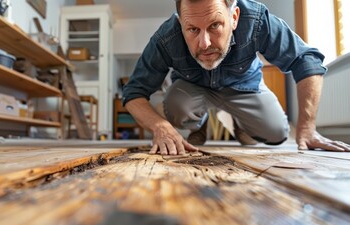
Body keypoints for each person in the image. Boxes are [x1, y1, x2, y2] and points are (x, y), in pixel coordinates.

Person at [122, 0, 350, 155]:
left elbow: (307, 59)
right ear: (181, 23)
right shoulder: (166, 38)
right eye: (192, 30)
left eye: (215, 25)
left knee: (277, 134)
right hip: (192, 90)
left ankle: (242, 125)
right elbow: (133, 93)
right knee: (175, 106)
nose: (205, 44)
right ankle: (198, 125)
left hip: (245, 87)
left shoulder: (257, 20)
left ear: (234, 17)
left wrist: (308, 128)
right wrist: (160, 126)